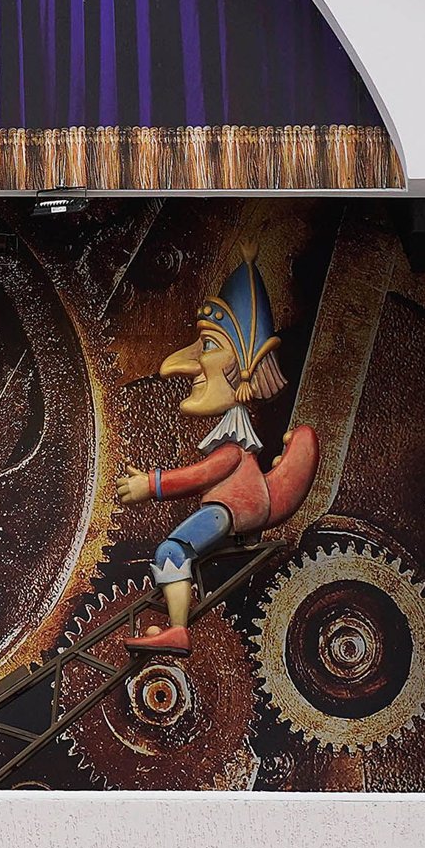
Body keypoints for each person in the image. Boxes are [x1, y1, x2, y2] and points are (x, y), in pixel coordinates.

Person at [114, 246, 319, 657]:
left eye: (207, 346)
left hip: (226, 512)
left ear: (241, 368)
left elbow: (202, 475)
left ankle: (177, 630)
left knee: (171, 550)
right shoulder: (233, 445)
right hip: (229, 513)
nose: (186, 364)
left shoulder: (233, 451)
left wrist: (151, 485)